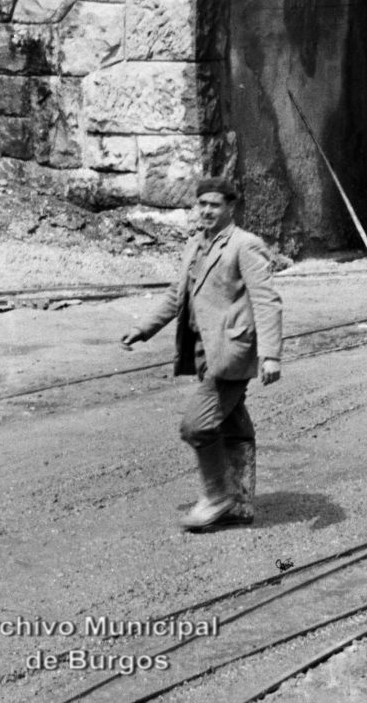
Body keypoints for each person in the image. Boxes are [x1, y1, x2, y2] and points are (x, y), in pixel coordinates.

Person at [122, 177, 282, 530]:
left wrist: (271, 355)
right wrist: (144, 329)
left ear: (231, 207)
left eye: (214, 205)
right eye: (202, 205)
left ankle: (218, 496)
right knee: (232, 423)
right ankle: (239, 503)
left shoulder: (245, 245)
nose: (206, 211)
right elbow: (176, 295)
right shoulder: (195, 245)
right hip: (202, 352)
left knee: (196, 426)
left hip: (231, 354)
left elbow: (267, 302)